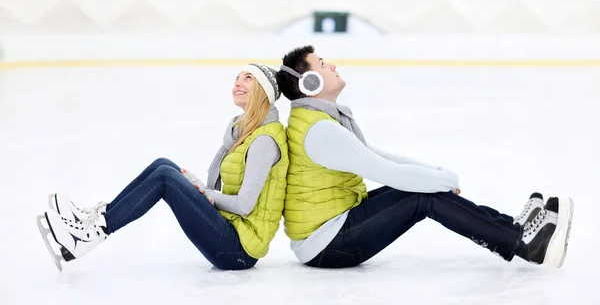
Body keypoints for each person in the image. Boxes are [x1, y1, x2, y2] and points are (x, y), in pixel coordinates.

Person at [275, 45, 573, 269]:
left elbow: (377, 155)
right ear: (309, 83)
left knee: (422, 189)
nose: (334, 65)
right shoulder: (320, 130)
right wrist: (442, 181)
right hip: (328, 246)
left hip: (331, 235)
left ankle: (511, 229)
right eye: (324, 64)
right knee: (422, 196)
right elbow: (385, 171)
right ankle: (522, 242)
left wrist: (436, 173)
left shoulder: (318, 121)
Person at [37, 64, 288, 272]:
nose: (238, 83)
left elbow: (245, 205)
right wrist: (199, 188)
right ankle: (95, 219)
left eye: (248, 79)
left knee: (166, 178)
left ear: (264, 93)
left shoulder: (264, 140)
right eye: (236, 78)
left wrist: (205, 194)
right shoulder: (244, 131)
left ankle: (90, 235)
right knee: (164, 165)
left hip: (238, 250)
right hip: (230, 230)